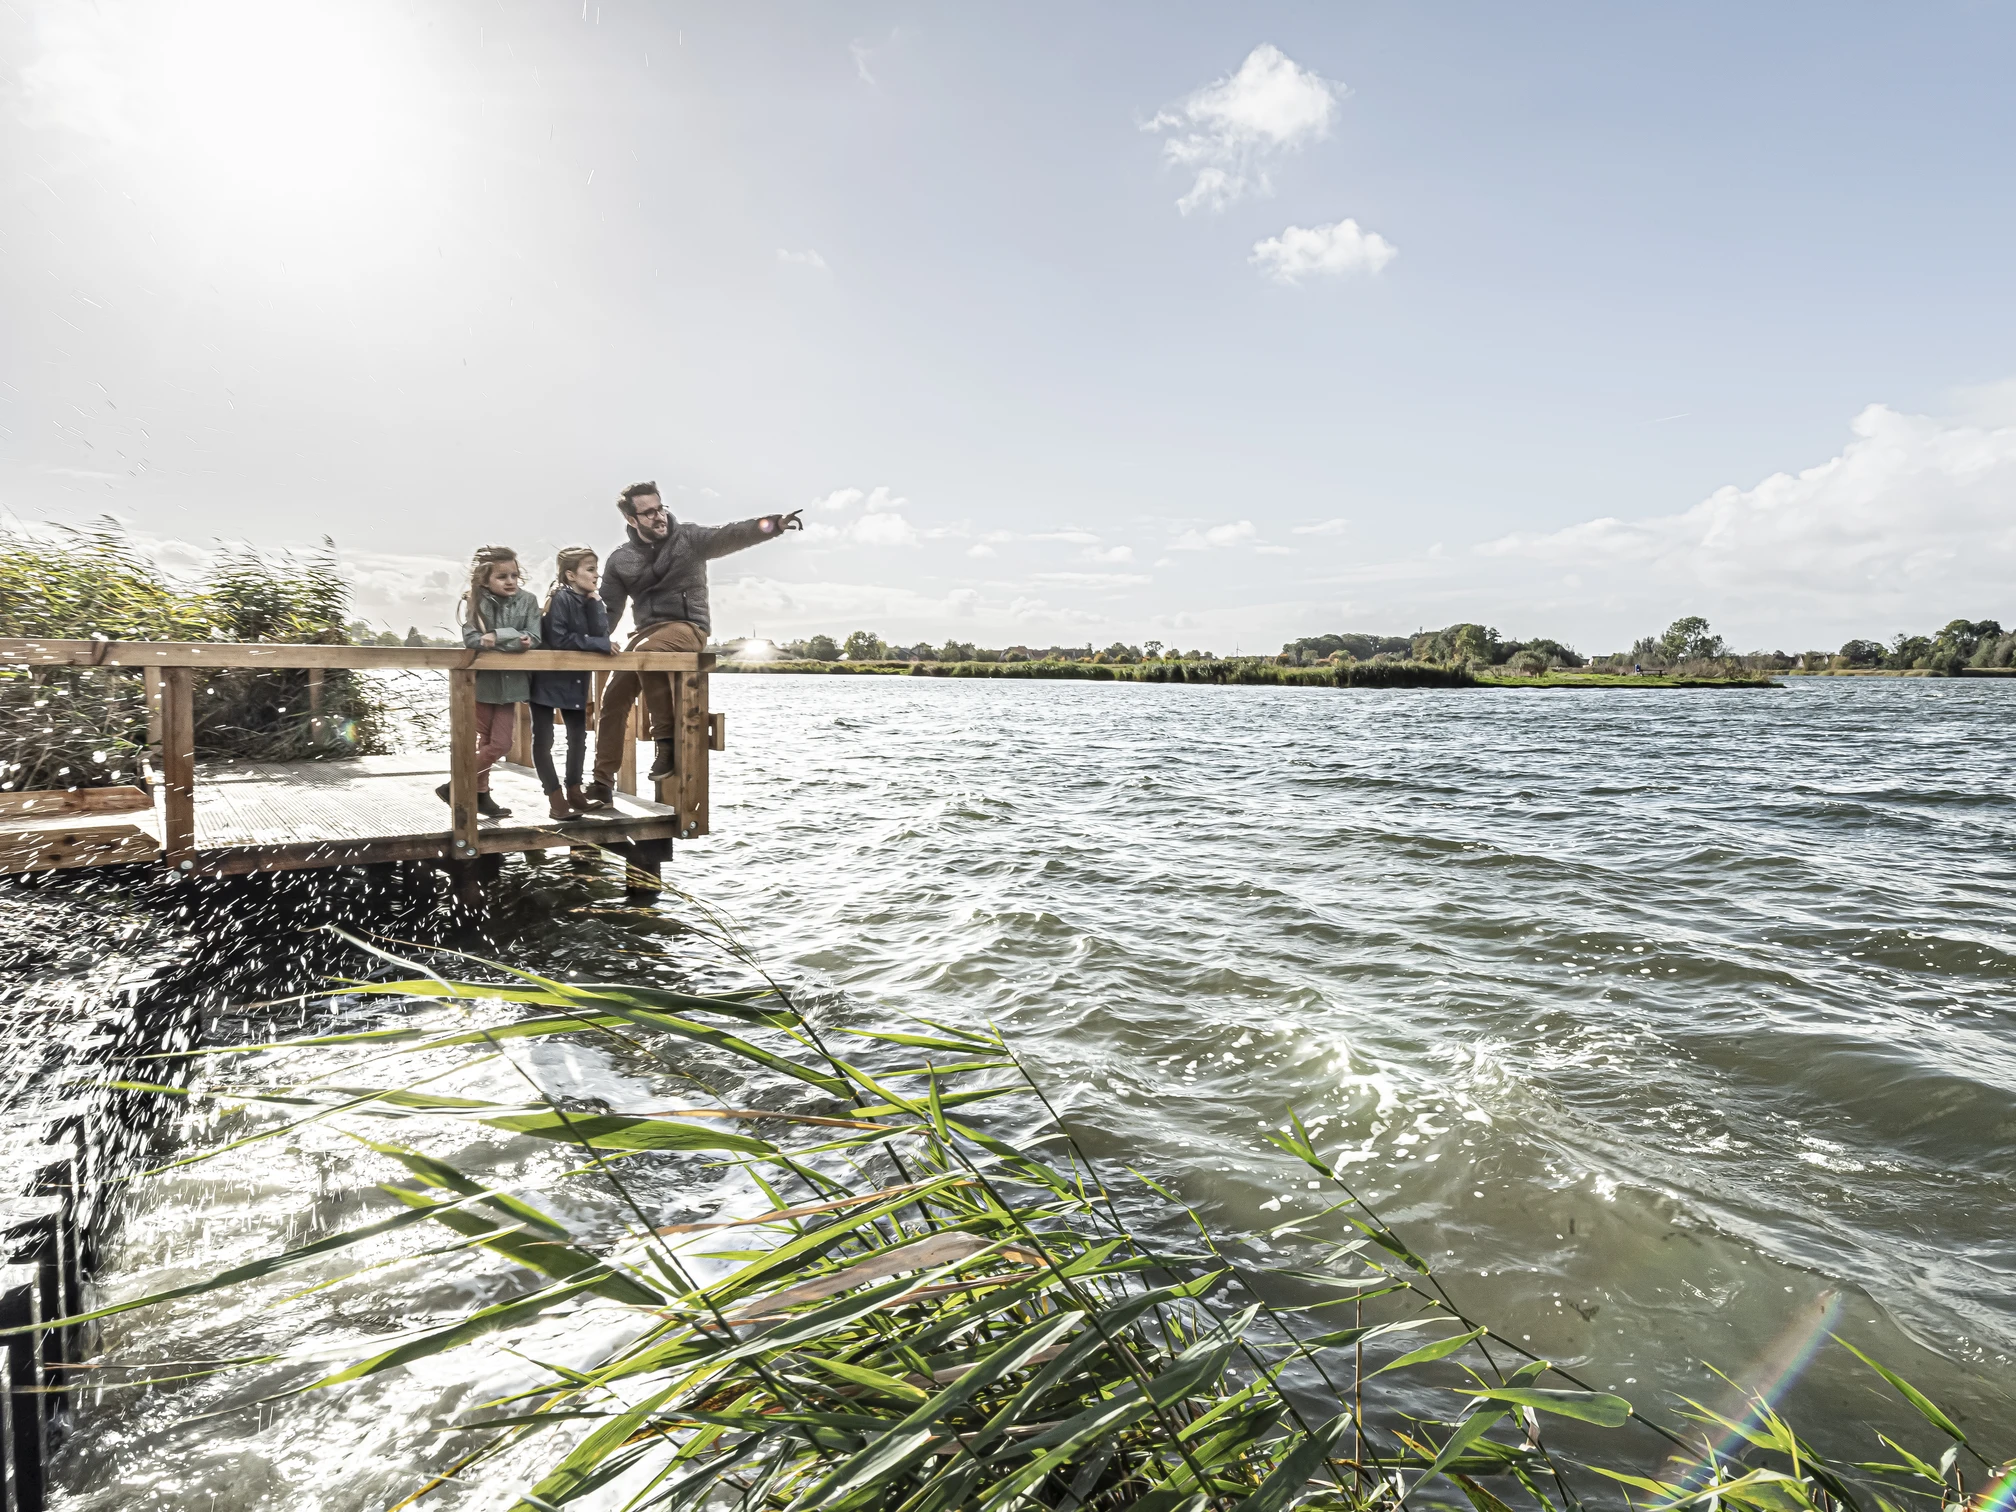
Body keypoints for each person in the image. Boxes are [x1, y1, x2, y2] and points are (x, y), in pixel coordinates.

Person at [581, 481, 800, 808]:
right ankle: (601, 784)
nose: (659, 517)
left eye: (660, 508)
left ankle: (665, 742)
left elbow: (732, 534)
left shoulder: (689, 539)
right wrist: (588, 639)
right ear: (631, 520)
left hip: (688, 627)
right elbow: (610, 612)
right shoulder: (620, 560)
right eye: (648, 512)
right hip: (645, 633)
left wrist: (773, 525)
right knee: (612, 695)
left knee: (647, 655)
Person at [436, 544, 540, 818]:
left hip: (511, 686)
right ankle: (481, 794)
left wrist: (497, 636)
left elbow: (533, 638)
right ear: (485, 579)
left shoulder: (528, 601)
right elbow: (472, 640)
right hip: (482, 685)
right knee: (486, 741)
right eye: (502, 576)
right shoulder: (475, 601)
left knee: (502, 743)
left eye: (514, 576)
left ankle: (455, 785)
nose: (510, 581)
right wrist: (512, 639)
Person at [528, 546, 612, 820]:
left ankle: (575, 792)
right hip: (547, 677)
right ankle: (555, 798)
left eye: (596, 570)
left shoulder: (589, 600)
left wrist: (596, 602)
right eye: (590, 570)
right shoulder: (560, 598)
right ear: (570, 574)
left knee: (578, 736)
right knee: (544, 738)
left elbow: (602, 632)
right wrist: (600, 644)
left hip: (575, 679)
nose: (596, 575)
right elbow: (559, 638)